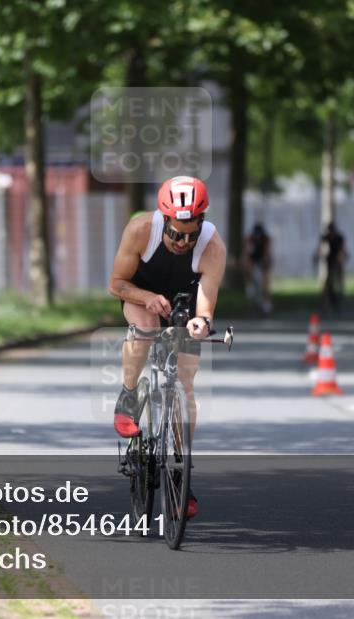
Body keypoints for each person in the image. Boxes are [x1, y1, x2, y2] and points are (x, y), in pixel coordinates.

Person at [108, 175, 227, 520]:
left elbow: (206, 303)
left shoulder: (213, 246)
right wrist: (147, 297)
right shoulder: (140, 230)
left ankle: (180, 471)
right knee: (145, 328)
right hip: (140, 295)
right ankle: (129, 396)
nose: (182, 242)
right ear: (165, 219)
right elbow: (116, 284)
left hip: (183, 303)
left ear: (201, 222)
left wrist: (201, 322)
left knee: (185, 384)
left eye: (190, 235)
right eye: (175, 234)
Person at [317, 222, 347, 312]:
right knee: (328, 281)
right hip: (330, 259)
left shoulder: (339, 238)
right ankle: (327, 301)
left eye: (332, 232)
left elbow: (342, 250)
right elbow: (320, 248)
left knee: (339, 279)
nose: (331, 234)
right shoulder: (326, 237)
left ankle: (339, 296)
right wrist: (317, 256)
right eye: (330, 232)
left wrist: (340, 260)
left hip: (338, 260)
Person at [244, 223, 273, 313]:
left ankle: (266, 302)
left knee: (265, 281)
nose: (258, 238)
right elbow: (247, 253)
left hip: (262, 257)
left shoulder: (266, 239)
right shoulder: (249, 238)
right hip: (253, 257)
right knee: (247, 266)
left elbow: (267, 253)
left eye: (259, 236)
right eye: (256, 236)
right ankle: (250, 286)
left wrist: (265, 264)